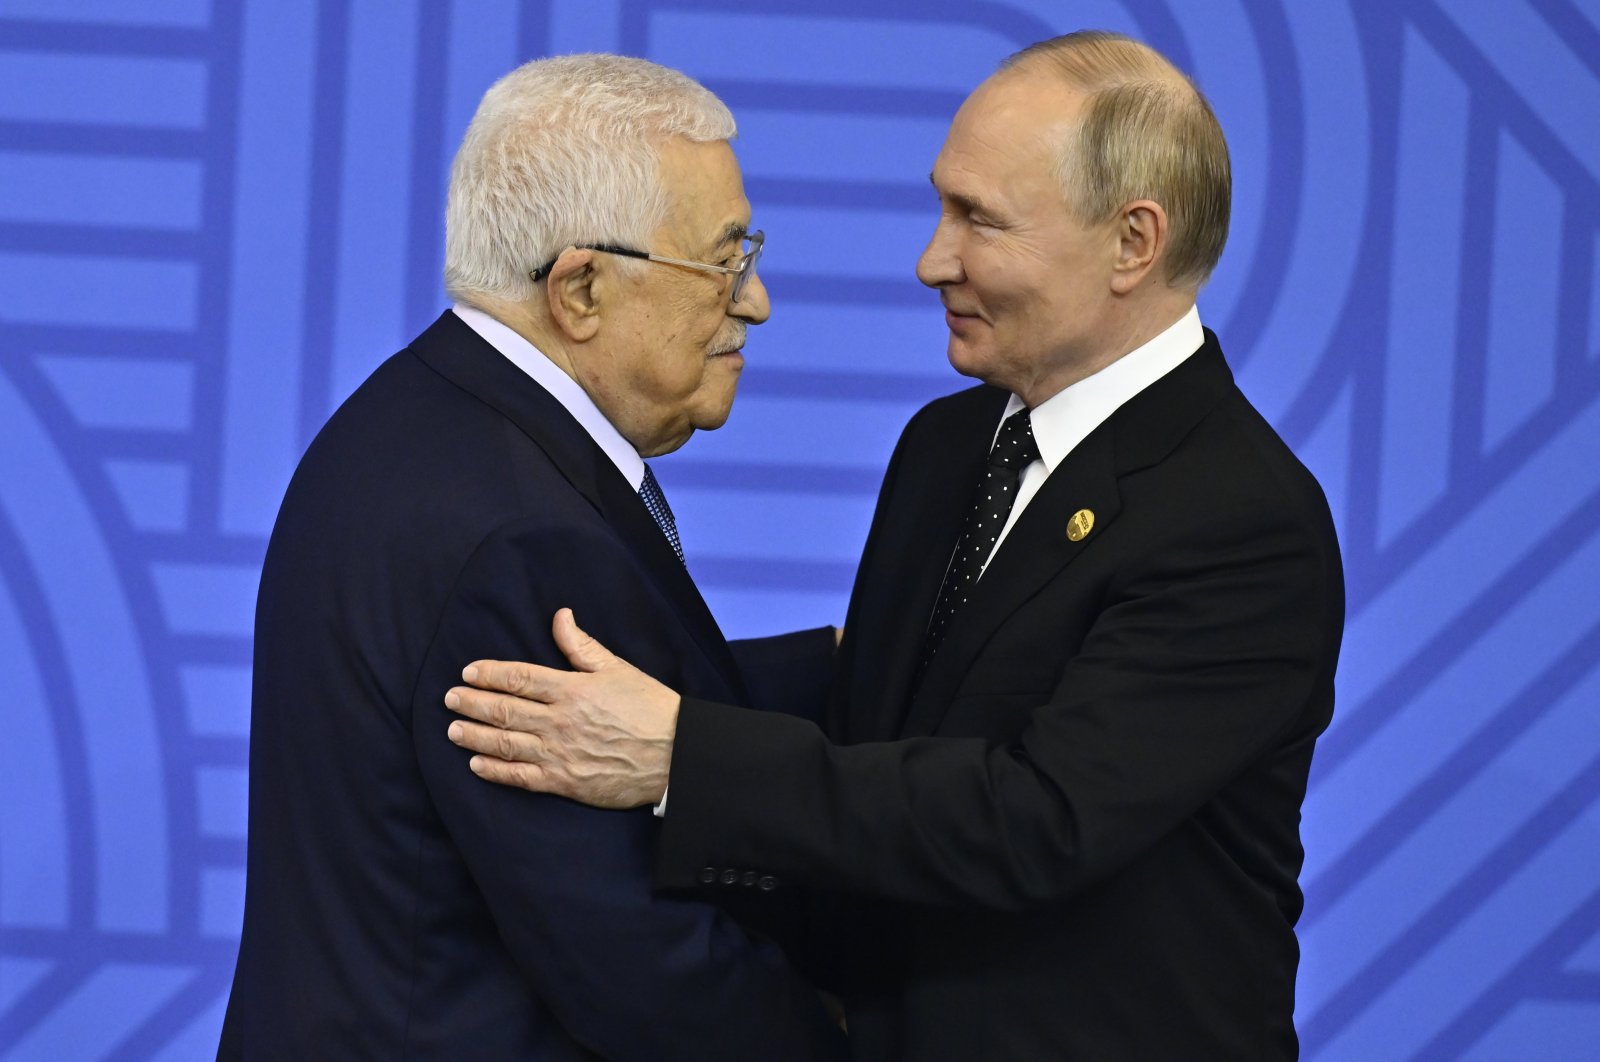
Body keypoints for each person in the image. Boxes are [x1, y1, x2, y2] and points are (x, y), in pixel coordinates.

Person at [444, 31, 1346, 1061]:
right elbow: (883, 714)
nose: (931, 260)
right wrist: (626, 696)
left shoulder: (1240, 519)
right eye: (941, 204)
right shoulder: (949, 445)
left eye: (980, 221)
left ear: (1132, 243)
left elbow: (1034, 819)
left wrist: (682, 757)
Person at [219, 54, 847, 1060]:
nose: (756, 299)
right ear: (582, 289)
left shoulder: (414, 418)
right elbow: (631, 956)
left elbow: (612, 702)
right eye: (724, 260)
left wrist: (837, 663)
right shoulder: (522, 533)